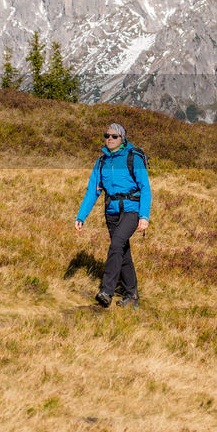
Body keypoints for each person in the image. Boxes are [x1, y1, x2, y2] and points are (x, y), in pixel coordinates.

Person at [74, 122, 150, 309]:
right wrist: (81, 216)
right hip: (111, 212)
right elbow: (93, 191)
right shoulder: (102, 162)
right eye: (107, 135)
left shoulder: (134, 158)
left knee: (116, 244)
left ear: (122, 138)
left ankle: (106, 291)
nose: (109, 138)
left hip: (132, 210)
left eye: (114, 136)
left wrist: (144, 216)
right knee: (122, 252)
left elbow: (145, 189)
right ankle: (132, 295)